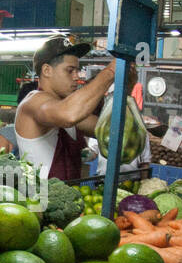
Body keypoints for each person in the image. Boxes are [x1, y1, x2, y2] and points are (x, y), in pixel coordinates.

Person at [15, 36, 120, 180]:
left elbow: (107, 130)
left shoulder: (64, 107)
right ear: (47, 70)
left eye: (77, 70)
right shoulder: (34, 102)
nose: (77, 77)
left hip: (69, 199)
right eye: (70, 71)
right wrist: (111, 71)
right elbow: (69, 115)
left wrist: (125, 87)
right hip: (39, 200)